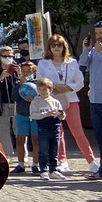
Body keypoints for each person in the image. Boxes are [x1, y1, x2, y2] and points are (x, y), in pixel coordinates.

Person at [35, 34, 94, 172]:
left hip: (70, 99)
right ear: (49, 47)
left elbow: (79, 81)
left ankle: (91, 160)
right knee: (57, 131)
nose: (56, 48)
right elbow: (40, 81)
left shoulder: (72, 62)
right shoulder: (44, 63)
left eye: (59, 45)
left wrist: (67, 87)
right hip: (52, 101)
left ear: (64, 47)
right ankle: (62, 160)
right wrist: (54, 87)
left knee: (78, 131)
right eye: (53, 45)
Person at [80, 20, 102, 180]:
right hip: (95, 100)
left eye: (101, 33)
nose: (98, 36)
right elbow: (81, 68)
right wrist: (86, 50)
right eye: (96, 33)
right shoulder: (93, 50)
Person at [30, 77, 66, 180]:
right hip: (43, 129)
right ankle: (43, 171)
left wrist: (60, 114)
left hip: (55, 129)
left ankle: (53, 170)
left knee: (54, 151)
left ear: (50, 90)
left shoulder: (55, 102)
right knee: (44, 151)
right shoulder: (36, 101)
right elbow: (33, 115)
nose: (42, 92)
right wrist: (46, 114)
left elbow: (62, 115)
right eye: (40, 89)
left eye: (45, 89)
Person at [13, 62, 38, 173]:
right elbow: (14, 97)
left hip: (35, 115)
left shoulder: (38, 83)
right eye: (23, 71)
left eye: (29, 71)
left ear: (33, 71)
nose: (26, 73)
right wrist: (20, 85)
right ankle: (21, 164)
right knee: (20, 139)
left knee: (36, 140)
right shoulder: (18, 83)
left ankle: (36, 165)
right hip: (22, 114)